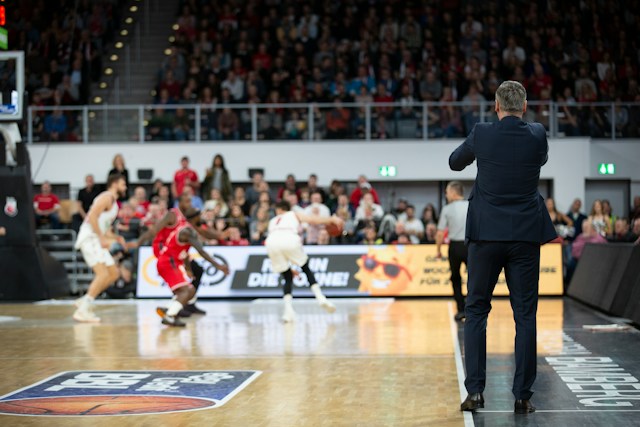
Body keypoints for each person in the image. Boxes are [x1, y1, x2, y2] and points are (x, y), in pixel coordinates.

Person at [450, 81, 556, 415]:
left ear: (496, 106)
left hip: (485, 236)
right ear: (524, 107)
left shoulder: (482, 133)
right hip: (525, 235)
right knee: (525, 315)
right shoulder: (537, 134)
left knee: (477, 311)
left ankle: (476, 392)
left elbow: (455, 163)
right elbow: (541, 158)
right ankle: (523, 395)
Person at [137, 192, 226, 316]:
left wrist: (220, 235)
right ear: (180, 203)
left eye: (190, 201)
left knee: (196, 271)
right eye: (186, 201)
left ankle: (184, 305)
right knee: (181, 281)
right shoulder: (172, 214)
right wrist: (139, 241)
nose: (189, 204)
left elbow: (202, 232)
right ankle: (178, 308)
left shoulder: (189, 219)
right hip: (164, 248)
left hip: (178, 250)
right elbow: (155, 230)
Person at [265, 200, 343, 322]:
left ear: (279, 210)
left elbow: (277, 245)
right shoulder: (293, 214)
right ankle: (321, 298)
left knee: (287, 276)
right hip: (289, 237)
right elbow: (312, 220)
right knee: (305, 268)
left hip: (271, 241)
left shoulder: (272, 221)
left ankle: (288, 311)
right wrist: (331, 220)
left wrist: (288, 268)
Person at [155, 207, 230, 327]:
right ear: (195, 217)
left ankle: (169, 309)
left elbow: (184, 253)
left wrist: (188, 268)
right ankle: (170, 315)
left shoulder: (186, 228)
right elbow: (201, 251)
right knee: (187, 291)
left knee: (189, 291)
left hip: (170, 262)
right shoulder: (187, 232)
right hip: (169, 262)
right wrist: (219, 266)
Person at [73, 174, 128, 322]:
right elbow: (92, 216)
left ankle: (84, 300)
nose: (126, 187)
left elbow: (106, 228)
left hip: (97, 238)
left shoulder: (114, 203)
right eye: (123, 184)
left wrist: (117, 237)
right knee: (102, 274)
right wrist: (102, 238)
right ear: (115, 183)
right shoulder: (106, 197)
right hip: (90, 237)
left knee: (114, 273)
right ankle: (83, 310)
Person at [435, 181, 469, 321]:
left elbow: (440, 233)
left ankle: (461, 310)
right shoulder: (471, 206)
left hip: (454, 246)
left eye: (447, 192)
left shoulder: (447, 209)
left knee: (455, 278)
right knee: (473, 278)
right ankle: (473, 308)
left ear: (454, 193)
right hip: (470, 245)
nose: (446, 195)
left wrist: (438, 250)